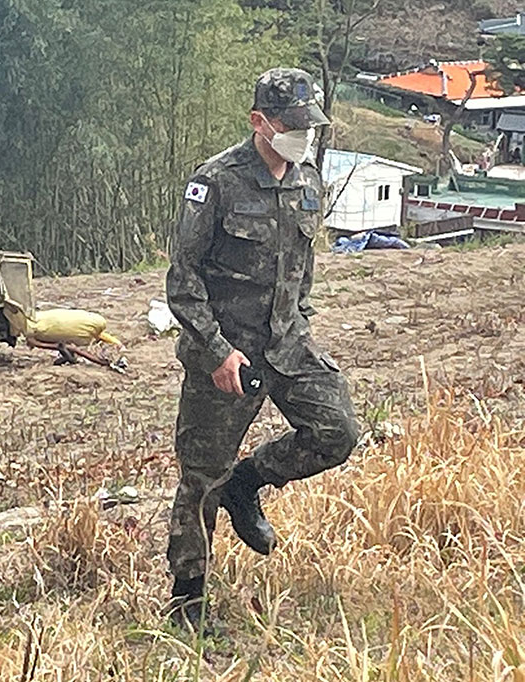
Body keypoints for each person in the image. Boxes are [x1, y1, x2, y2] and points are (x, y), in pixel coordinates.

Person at [164, 68, 360, 635]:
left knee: (337, 430)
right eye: (290, 126)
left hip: (287, 344)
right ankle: (187, 602)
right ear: (259, 123)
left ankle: (248, 483)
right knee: (201, 475)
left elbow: (303, 273)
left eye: (308, 126)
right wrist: (215, 350)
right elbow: (182, 281)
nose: (301, 136)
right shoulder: (216, 182)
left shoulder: (309, 181)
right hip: (227, 352)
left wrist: (299, 324)